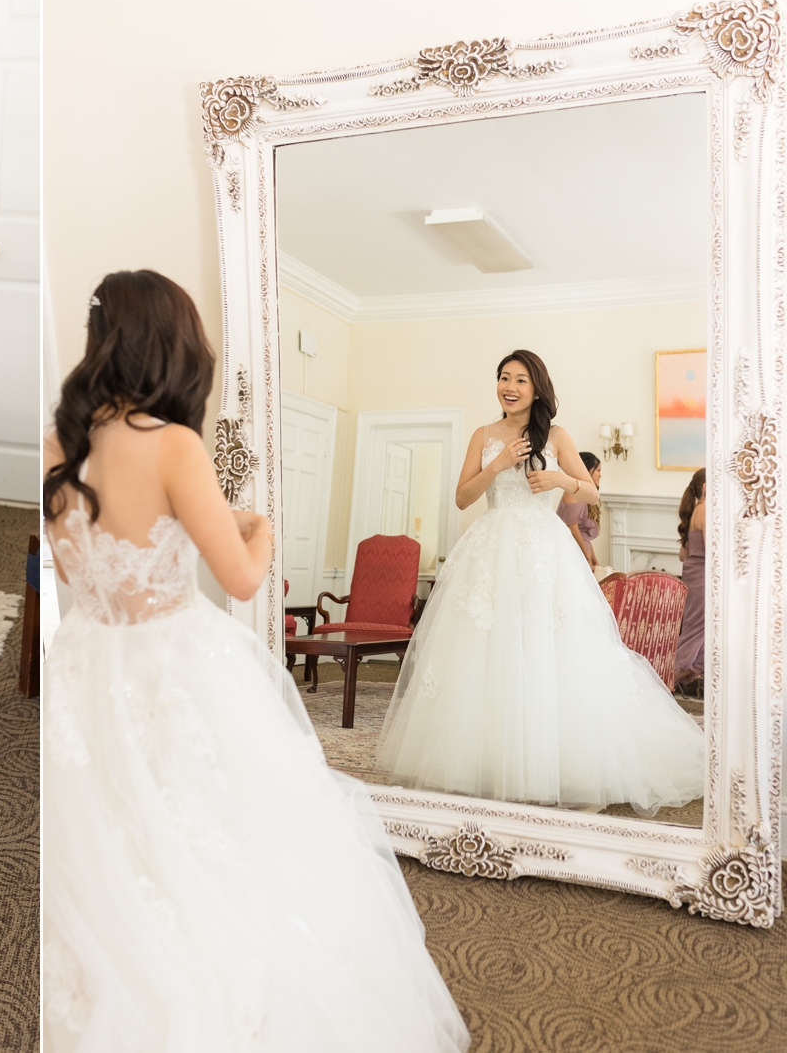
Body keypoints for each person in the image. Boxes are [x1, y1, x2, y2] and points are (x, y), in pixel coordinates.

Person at [42, 272, 469, 1053]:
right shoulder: (172, 442)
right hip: (173, 662)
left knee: (114, 829)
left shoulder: (60, 445)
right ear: (171, 343)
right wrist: (260, 531)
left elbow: (80, 567)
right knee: (213, 828)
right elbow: (239, 577)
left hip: (88, 657)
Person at [376, 351, 704, 813]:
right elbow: (462, 497)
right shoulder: (483, 435)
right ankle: (487, 759)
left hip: (543, 554)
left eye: (520, 379)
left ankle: (555, 761)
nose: (509, 386)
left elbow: (592, 493)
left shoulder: (556, 435)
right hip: (490, 551)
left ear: (536, 388)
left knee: (549, 650)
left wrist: (560, 478)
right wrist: (496, 465)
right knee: (485, 653)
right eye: (503, 378)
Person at [675, 467, 707, 695]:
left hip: (694, 576)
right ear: (707, 487)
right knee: (700, 632)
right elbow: (714, 550)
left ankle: (668, 679)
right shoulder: (706, 511)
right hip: (704, 579)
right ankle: (664, 679)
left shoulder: (695, 509)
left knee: (696, 631)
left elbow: (682, 555)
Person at [557, 450, 603, 570]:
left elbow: (584, 535)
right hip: (575, 554)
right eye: (598, 470)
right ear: (587, 470)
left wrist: (594, 560)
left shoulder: (583, 495)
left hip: (582, 553)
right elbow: (572, 528)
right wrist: (586, 557)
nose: (600, 475)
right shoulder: (572, 494)